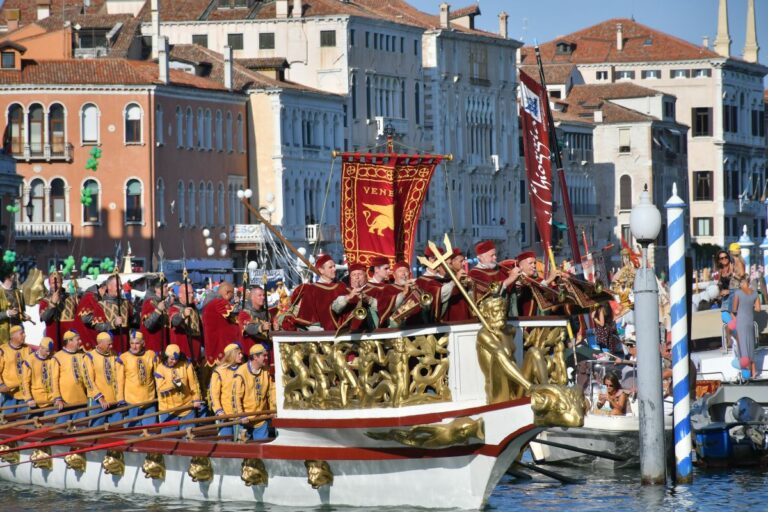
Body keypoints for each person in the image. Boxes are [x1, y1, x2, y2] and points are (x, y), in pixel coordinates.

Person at [154, 343, 205, 432]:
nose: (174, 361)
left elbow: (194, 384)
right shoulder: (160, 368)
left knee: (188, 440)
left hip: (187, 408)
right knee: (169, 442)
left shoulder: (186, 364)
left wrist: (196, 399)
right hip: (168, 411)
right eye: (172, 359)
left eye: (176, 359)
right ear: (166, 357)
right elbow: (160, 389)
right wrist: (173, 384)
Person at [293, 254, 348, 331]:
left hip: (343, 332)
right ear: (321, 270)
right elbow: (306, 315)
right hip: (321, 334)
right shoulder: (312, 289)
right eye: (330, 267)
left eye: (334, 266)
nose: (334, 269)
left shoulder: (341, 286)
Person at [233, 343, 275, 440]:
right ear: (255, 357)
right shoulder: (241, 373)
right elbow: (236, 397)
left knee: (261, 448)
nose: (267, 357)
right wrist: (240, 415)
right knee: (244, 451)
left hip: (261, 418)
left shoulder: (266, 371)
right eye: (264, 355)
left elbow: (271, 392)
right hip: (245, 419)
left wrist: (273, 409)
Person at [116, 330, 157, 426]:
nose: (134, 346)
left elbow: (158, 377)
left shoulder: (151, 355)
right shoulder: (123, 358)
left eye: (137, 343)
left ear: (143, 343)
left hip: (149, 401)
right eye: (132, 343)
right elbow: (119, 381)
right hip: (131, 403)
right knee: (131, 435)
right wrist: (120, 400)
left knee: (151, 433)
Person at [83, 331, 121, 426]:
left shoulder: (114, 355)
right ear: (100, 344)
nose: (111, 346)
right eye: (109, 344)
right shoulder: (90, 357)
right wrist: (100, 398)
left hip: (114, 400)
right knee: (96, 431)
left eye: (112, 344)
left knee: (116, 431)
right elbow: (88, 380)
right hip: (97, 401)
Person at [52, 329, 89, 423]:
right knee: (61, 431)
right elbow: (54, 380)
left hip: (81, 401)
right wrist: (58, 398)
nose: (80, 342)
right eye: (77, 339)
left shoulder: (83, 355)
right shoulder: (57, 357)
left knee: (80, 431)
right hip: (64, 402)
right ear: (69, 341)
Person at [202, 281, 242, 365]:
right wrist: (238, 305)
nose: (231, 299)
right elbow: (232, 311)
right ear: (227, 293)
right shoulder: (218, 301)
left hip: (213, 343)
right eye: (231, 295)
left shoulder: (211, 302)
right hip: (220, 346)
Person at [208, 342, 243, 438]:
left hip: (241, 414)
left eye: (241, 353)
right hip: (225, 414)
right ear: (231, 355)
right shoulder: (219, 371)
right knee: (225, 443)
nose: (241, 355)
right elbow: (214, 394)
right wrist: (219, 410)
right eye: (238, 353)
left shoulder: (243, 369)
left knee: (242, 444)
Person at [39, 271, 78, 350]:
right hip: (54, 338)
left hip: (70, 339)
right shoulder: (44, 301)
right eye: (53, 283)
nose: (56, 285)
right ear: (49, 284)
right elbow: (45, 318)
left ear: (62, 282)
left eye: (58, 282)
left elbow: (78, 318)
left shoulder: (72, 298)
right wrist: (52, 303)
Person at [22, 337, 59, 415]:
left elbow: (55, 379)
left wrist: (57, 397)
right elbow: (25, 382)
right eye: (47, 351)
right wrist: (28, 398)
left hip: (51, 400)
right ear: (40, 347)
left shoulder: (53, 358)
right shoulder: (30, 360)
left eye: (50, 351)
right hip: (36, 401)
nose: (49, 353)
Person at [96, 275, 134, 353]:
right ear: (109, 286)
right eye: (117, 285)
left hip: (125, 346)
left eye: (120, 285)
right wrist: (113, 323)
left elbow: (131, 322)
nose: (120, 288)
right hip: (109, 347)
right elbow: (97, 326)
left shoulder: (126, 303)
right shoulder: (100, 304)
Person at [732, 277, 761, 378]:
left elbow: (734, 309)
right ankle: (754, 372)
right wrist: (749, 306)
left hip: (741, 321)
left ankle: (747, 373)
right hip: (750, 321)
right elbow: (758, 309)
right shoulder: (754, 293)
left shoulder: (738, 293)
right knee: (750, 345)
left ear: (742, 282)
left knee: (743, 346)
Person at [0, 325, 32, 413]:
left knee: (23, 421)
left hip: (24, 393)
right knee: (7, 420)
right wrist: (1, 385)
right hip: (10, 394)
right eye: (22, 333)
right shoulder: (3, 350)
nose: (25, 335)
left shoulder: (27, 349)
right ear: (13, 336)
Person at [168, 282, 203, 362]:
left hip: (196, 352)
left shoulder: (194, 308)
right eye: (188, 293)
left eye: (192, 293)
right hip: (183, 352)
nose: (192, 295)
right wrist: (182, 315)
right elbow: (174, 321)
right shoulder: (174, 308)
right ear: (180, 295)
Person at [238, 286, 272, 356]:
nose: (263, 297)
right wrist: (261, 327)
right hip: (252, 352)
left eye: (263, 295)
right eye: (259, 295)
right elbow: (248, 328)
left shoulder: (266, 313)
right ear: (252, 297)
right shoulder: (245, 313)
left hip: (266, 349)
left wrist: (275, 327)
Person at [140, 275, 169, 353]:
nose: (167, 289)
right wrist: (158, 310)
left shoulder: (161, 302)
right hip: (153, 347)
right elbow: (147, 324)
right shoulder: (149, 302)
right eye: (165, 286)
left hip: (162, 346)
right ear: (157, 289)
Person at [0, 263, 27, 345]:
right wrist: (7, 313)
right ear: (9, 276)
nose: (16, 275)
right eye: (14, 273)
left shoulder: (18, 292)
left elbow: (21, 312)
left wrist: (24, 316)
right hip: (3, 335)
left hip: (18, 335)